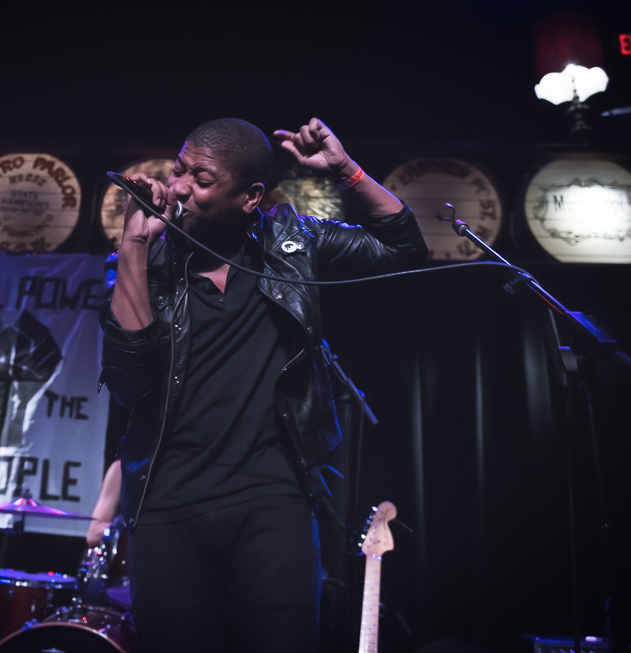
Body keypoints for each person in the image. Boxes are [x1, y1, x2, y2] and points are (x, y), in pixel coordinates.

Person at [92, 117, 428, 653]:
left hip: (274, 503)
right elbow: (129, 384)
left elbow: (406, 250)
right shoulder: (142, 263)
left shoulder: (294, 242)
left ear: (249, 197)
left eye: (200, 179)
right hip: (167, 507)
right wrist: (134, 242)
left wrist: (346, 171)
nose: (179, 187)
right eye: (179, 169)